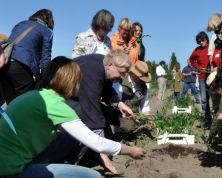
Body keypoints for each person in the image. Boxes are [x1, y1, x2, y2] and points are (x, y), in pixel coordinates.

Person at [0, 56, 146, 177]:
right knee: (93, 176)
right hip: (13, 172)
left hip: (8, 160)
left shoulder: (35, 95)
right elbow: (97, 142)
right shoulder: (57, 106)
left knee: (73, 139)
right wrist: (131, 151)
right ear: (72, 82)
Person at [68, 49, 133, 174]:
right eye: (121, 73)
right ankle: (74, 158)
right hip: (55, 100)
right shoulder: (92, 73)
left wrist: (120, 104)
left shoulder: (103, 65)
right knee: (90, 116)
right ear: (110, 65)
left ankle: (91, 156)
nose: (122, 78)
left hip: (73, 97)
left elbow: (107, 92)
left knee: (106, 112)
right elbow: (92, 111)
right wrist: (102, 152)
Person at [0, 9, 54, 105]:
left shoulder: (20, 24)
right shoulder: (46, 31)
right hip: (21, 66)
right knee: (26, 104)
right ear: (49, 20)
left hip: (5, 64)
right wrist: (45, 79)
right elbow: (46, 58)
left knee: (11, 106)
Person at [111, 61, 153, 137]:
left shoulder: (143, 87)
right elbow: (115, 103)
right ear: (133, 74)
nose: (142, 81)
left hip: (134, 114)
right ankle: (118, 129)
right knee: (128, 128)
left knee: (141, 122)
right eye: (140, 78)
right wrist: (127, 114)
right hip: (120, 113)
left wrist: (149, 119)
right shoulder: (121, 82)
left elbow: (145, 106)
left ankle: (133, 124)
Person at [189, 31, 212, 123]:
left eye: (202, 40)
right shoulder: (197, 50)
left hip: (213, 77)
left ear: (206, 39)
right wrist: (198, 68)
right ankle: (206, 118)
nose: (201, 43)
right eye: (199, 42)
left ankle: (217, 120)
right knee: (204, 99)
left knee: (215, 98)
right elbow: (191, 59)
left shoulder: (212, 47)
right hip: (202, 77)